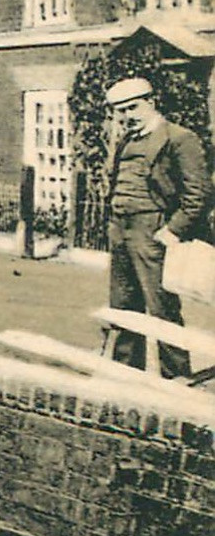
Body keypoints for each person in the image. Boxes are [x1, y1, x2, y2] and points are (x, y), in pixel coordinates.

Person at [104, 76, 210, 378]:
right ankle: (126, 375)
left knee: (161, 308)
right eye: (120, 111)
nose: (127, 116)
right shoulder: (126, 140)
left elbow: (198, 193)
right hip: (121, 229)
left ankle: (177, 378)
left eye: (133, 108)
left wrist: (173, 230)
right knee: (123, 307)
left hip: (153, 230)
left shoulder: (178, 138)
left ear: (152, 102)